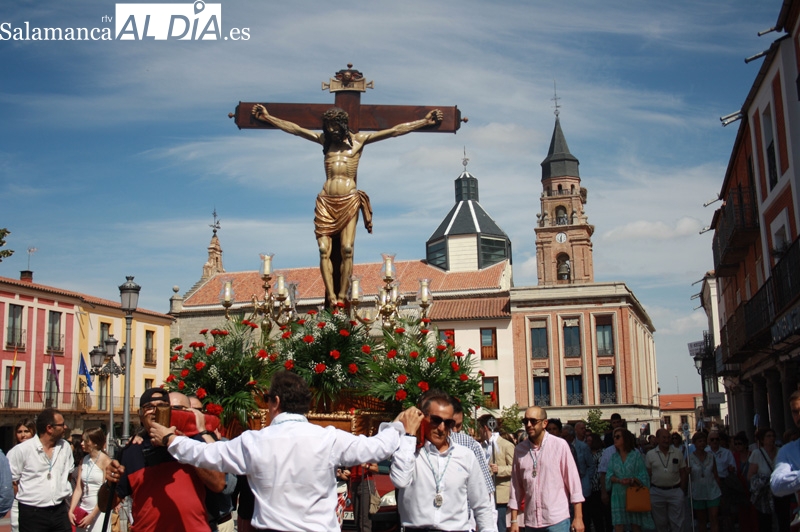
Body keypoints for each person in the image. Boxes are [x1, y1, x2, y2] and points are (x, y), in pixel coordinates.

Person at [149, 370, 420, 532]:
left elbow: (206, 455)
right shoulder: (327, 439)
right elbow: (377, 448)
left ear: (275, 401)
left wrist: (171, 440)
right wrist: (399, 427)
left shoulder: (253, 441)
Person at [251, 103, 443, 306]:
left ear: (343, 125)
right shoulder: (324, 141)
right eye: (329, 126)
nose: (332, 130)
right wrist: (268, 118)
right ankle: (332, 297)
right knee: (324, 250)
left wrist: (425, 121)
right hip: (326, 200)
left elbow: (395, 131)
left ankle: (342, 296)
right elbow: (296, 130)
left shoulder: (359, 141)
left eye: (335, 126)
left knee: (347, 249)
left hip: (349, 200)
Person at [101, 388, 224, 532]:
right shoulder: (131, 450)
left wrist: (177, 445)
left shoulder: (190, 442)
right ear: (140, 415)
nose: (155, 411)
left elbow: (218, 483)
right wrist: (109, 483)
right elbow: (105, 505)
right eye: (149, 407)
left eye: (161, 406)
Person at [390, 390, 496, 532]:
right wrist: (409, 435)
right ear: (422, 418)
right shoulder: (410, 452)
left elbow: (482, 506)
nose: (441, 428)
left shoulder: (465, 456)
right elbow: (400, 480)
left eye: (448, 423)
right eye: (436, 420)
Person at [509, 406, 585, 532]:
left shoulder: (559, 445)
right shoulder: (520, 450)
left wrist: (578, 517)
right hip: (531, 521)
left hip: (556, 520)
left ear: (544, 423)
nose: (528, 425)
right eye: (525, 421)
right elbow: (516, 487)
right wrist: (514, 520)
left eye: (533, 421)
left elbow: (574, 483)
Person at [7, 408, 74, 532]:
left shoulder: (65, 447)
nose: (65, 427)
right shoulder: (21, 450)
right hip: (32, 513)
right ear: (49, 428)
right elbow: (12, 482)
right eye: (61, 425)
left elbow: (68, 475)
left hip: (59, 511)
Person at [605, 428, 653, 532]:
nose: (615, 439)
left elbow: (643, 475)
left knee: (635, 525)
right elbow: (608, 475)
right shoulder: (614, 457)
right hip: (617, 494)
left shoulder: (636, 456)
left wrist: (632, 480)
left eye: (618, 437)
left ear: (625, 439)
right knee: (618, 525)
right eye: (614, 437)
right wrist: (618, 480)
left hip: (633, 493)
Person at [68, 428, 110, 532]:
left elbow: (107, 492)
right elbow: (78, 488)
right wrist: (71, 510)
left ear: (95, 443)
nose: (82, 443)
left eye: (85, 441)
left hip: (99, 510)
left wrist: (92, 515)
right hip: (84, 508)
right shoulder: (84, 460)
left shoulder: (106, 461)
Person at [644, 428, 686, 532]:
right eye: (664, 438)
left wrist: (682, 490)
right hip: (657, 492)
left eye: (668, 437)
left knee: (677, 523)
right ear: (657, 439)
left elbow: (683, 472)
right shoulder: (650, 454)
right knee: (660, 523)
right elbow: (647, 474)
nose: (666, 440)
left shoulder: (678, 453)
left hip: (675, 491)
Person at [478, 414, 515, 532]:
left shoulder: (506, 445)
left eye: (479, 428)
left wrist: (499, 469)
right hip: (484, 494)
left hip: (499, 494)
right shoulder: (480, 446)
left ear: (485, 428)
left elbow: (514, 468)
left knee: (500, 527)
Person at [688, 431, 721, 532]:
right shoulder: (690, 458)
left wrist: (721, 490)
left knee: (714, 517)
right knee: (701, 520)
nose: (702, 443)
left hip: (712, 491)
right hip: (697, 492)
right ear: (695, 443)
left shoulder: (711, 457)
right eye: (699, 441)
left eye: (703, 441)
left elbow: (715, 474)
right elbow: (686, 475)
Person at [752, 427, 782, 531]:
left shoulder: (781, 451)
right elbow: (750, 476)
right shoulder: (757, 453)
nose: (771, 438)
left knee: (782, 521)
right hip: (764, 496)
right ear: (762, 439)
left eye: (773, 436)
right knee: (765, 524)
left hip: (780, 493)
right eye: (768, 436)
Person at [9, 419, 36, 532]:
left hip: (39, 500)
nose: (23, 435)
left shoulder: (39, 451)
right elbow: (12, 481)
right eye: (20, 432)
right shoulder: (13, 452)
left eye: (26, 431)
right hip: (20, 501)